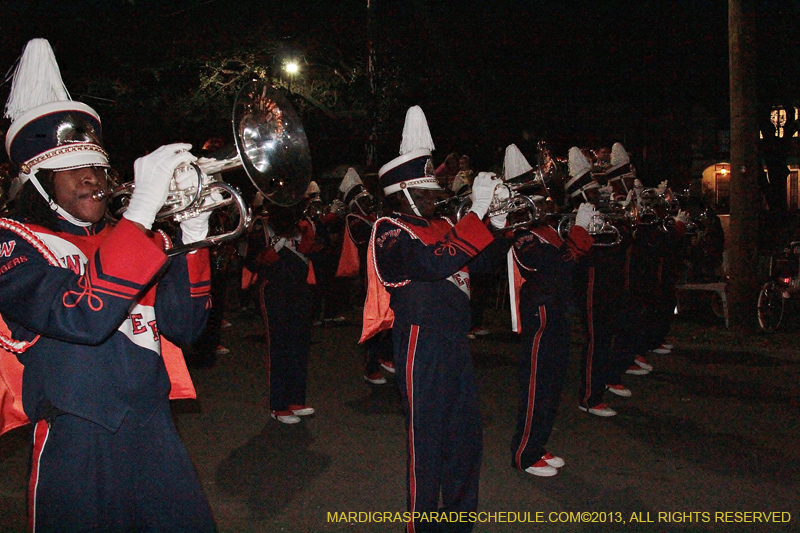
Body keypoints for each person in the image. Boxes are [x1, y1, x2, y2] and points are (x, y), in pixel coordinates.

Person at [0, 39, 214, 531]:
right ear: (37, 183)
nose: (92, 179)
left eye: (97, 167)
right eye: (71, 169)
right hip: (78, 437)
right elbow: (81, 316)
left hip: (155, 427)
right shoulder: (14, 241)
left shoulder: (134, 240)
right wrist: (139, 216)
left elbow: (185, 327)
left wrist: (195, 231)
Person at [361, 106, 508, 533]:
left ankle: (458, 521)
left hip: (455, 340)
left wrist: (496, 222)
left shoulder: (442, 223)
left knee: (465, 437)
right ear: (404, 192)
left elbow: (483, 264)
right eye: (426, 190)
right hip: (421, 340)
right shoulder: (388, 228)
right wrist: (476, 215)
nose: (435, 196)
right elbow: (430, 264)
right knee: (426, 440)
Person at [505, 147, 595, 477]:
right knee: (536, 387)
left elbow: (573, 264)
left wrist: (585, 232)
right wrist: (580, 232)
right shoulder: (522, 236)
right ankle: (524, 454)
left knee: (553, 384)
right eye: (540, 198)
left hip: (557, 311)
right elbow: (557, 266)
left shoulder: (545, 228)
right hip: (541, 315)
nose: (547, 203)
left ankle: (538, 444)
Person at [245, 203, 317, 424]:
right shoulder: (262, 226)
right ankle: (278, 405)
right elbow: (250, 261)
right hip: (274, 289)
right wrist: (266, 255)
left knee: (300, 344)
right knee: (279, 345)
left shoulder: (303, 224)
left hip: (300, 288)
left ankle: (296, 399)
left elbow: (316, 251)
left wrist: (309, 238)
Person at [335, 167, 394, 384]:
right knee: (375, 322)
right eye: (364, 201)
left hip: (384, 273)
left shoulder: (372, 218)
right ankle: (370, 368)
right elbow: (368, 239)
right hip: (370, 276)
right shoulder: (355, 220)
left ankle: (386, 355)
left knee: (393, 316)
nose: (369, 204)